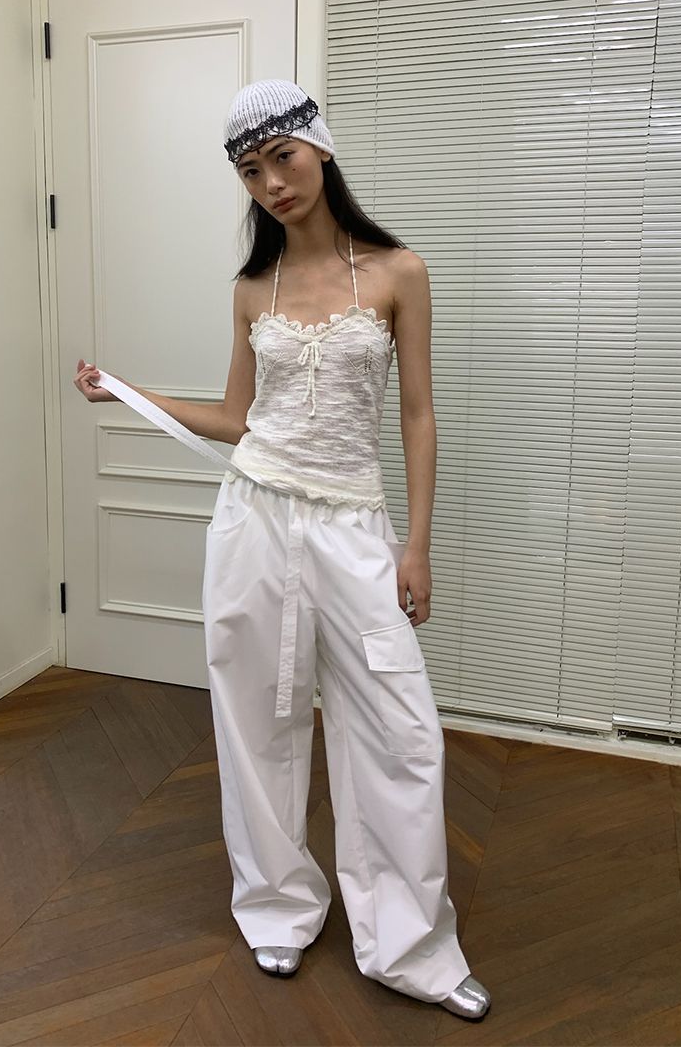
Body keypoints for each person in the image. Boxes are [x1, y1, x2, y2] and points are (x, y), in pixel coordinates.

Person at [74, 80, 491, 1021]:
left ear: (321, 149)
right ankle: (277, 909)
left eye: (283, 158)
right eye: (250, 171)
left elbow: (418, 416)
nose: (271, 183)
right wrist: (129, 392)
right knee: (255, 717)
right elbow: (237, 418)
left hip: (353, 526)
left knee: (398, 730)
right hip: (254, 522)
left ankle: (412, 947)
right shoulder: (250, 289)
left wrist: (417, 545)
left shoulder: (398, 272)